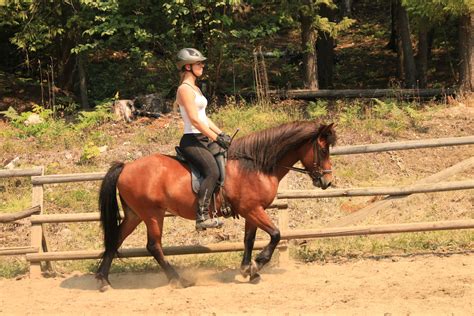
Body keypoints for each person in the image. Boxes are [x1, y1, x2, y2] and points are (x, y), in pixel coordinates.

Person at [175, 48, 231, 230]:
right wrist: (214, 136)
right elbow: (194, 120)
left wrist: (221, 134)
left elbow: (204, 117)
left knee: (228, 157)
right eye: (199, 63)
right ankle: (202, 216)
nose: (202, 66)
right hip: (192, 140)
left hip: (203, 137)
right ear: (188, 66)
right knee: (212, 172)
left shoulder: (196, 88)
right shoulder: (184, 89)